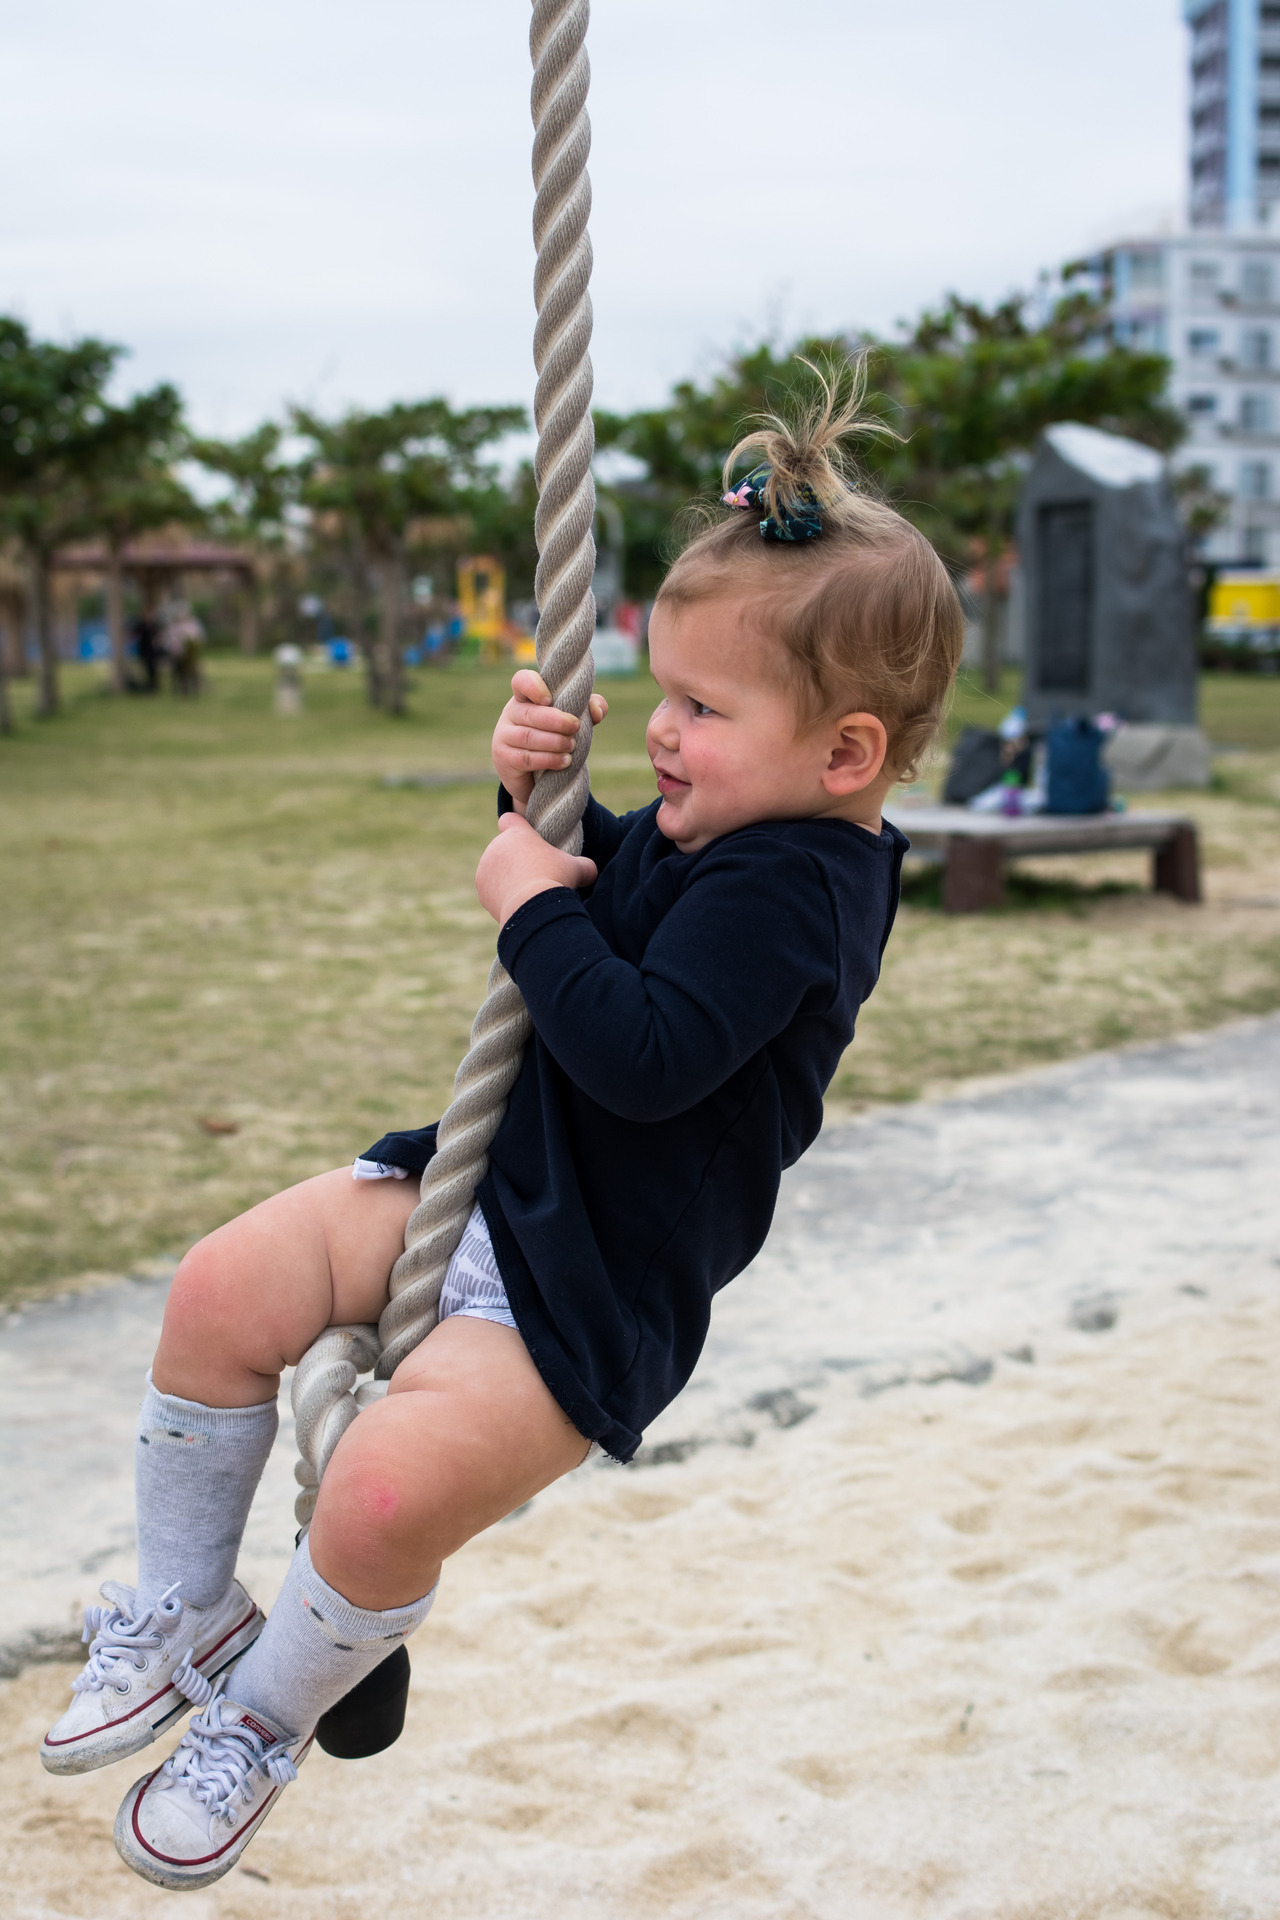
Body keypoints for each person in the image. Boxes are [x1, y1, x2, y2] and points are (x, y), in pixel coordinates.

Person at [40, 367, 964, 1890]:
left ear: (847, 754)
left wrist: (529, 903)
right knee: (218, 1290)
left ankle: (262, 1718)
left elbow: (643, 1054)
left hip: (577, 1293)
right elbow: (599, 874)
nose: (660, 733)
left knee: (382, 1495)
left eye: (703, 710)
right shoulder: (732, 826)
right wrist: (530, 794)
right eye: (663, 694)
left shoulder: (803, 891)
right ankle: (183, 1602)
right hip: (483, 1189)